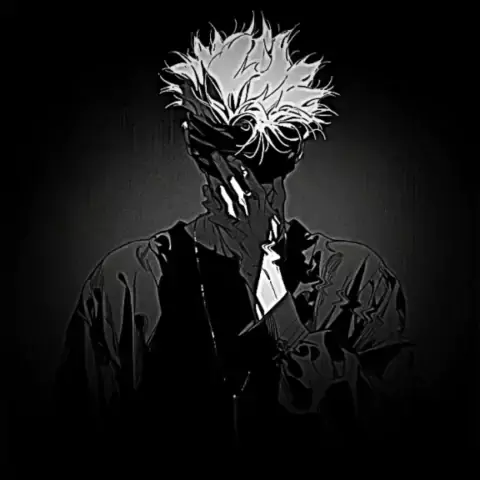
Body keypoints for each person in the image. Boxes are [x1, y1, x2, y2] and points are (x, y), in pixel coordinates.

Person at [55, 14, 413, 457]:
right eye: (233, 163)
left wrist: (269, 285)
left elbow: (389, 435)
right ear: (196, 149)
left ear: (295, 152)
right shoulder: (128, 287)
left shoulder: (356, 282)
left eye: (270, 165)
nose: (256, 193)